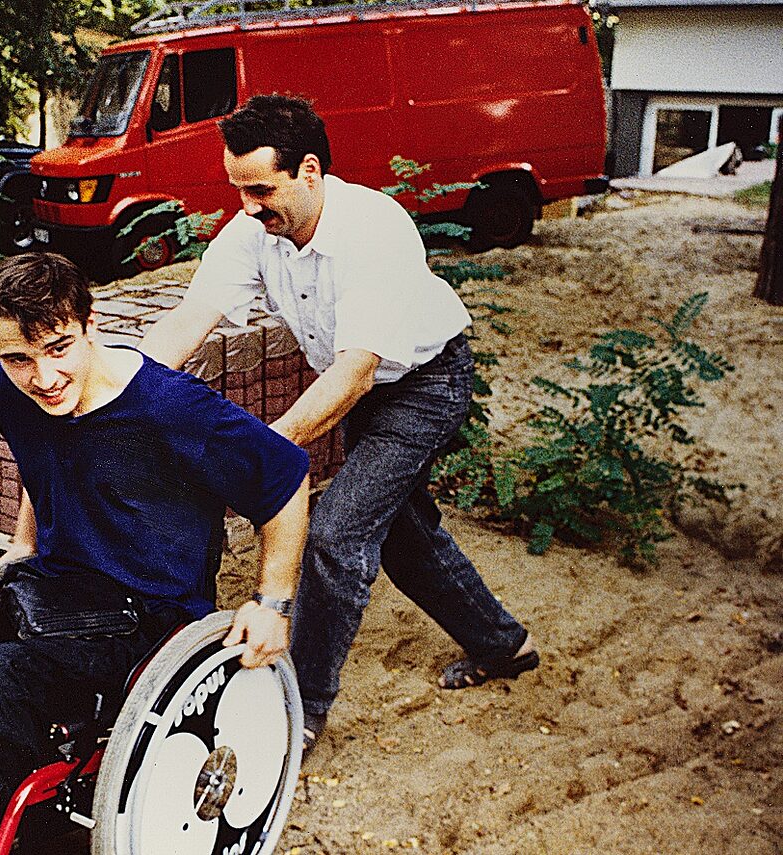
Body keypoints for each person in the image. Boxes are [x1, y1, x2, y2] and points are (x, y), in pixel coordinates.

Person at [0, 252, 311, 855]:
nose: (43, 377)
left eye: (59, 348)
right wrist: (23, 542)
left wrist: (272, 601)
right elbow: (40, 456)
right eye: (18, 358)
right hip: (55, 589)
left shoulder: (168, 409)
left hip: (149, 613)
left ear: (92, 325)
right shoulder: (7, 392)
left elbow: (285, 478)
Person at [138, 94, 539, 752]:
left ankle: (300, 709)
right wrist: (124, 385)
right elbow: (190, 319)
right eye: (237, 189)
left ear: (311, 173)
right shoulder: (253, 231)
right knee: (400, 531)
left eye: (261, 190)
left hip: (425, 384)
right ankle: (505, 644)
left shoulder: (374, 231)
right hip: (367, 386)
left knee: (334, 534)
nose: (247, 207)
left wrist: (271, 447)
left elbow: (355, 371)